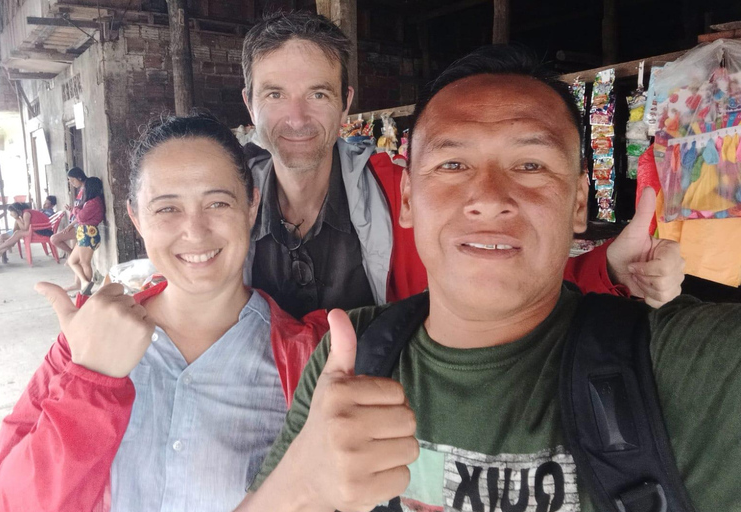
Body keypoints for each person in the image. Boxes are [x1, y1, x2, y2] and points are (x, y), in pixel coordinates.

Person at [238, 46, 741, 512]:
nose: (488, 196)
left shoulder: (683, 365)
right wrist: (298, 483)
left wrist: (605, 270)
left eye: (530, 164)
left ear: (580, 203)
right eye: (453, 163)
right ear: (408, 200)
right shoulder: (346, 362)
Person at [0, 113, 328, 512]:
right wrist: (90, 384)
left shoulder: (306, 359)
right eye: (166, 209)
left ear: (251, 206)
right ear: (136, 219)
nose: (195, 231)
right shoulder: (84, 342)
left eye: (218, 202)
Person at [240, 11, 683, 318]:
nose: (296, 119)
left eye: (318, 94)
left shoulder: (406, 189)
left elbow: (505, 274)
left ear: (345, 103)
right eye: (275, 94)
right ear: (249, 104)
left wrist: (609, 272)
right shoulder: (221, 204)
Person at [65, 178, 105, 295]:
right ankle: (84, 283)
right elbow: (80, 216)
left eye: (85, 187)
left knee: (84, 262)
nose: (83, 189)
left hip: (89, 233)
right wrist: (74, 210)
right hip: (84, 233)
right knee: (72, 261)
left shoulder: (94, 202)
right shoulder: (90, 201)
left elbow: (81, 217)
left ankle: (86, 291)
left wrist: (75, 209)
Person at [51, 167, 87, 291]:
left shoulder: (87, 190)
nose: (71, 183)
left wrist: (70, 225)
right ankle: (77, 283)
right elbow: (79, 209)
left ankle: (71, 256)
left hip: (79, 226)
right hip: (75, 222)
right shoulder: (81, 191)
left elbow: (84, 213)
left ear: (79, 177)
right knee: (78, 259)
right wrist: (72, 209)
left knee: (54, 238)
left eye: (72, 180)